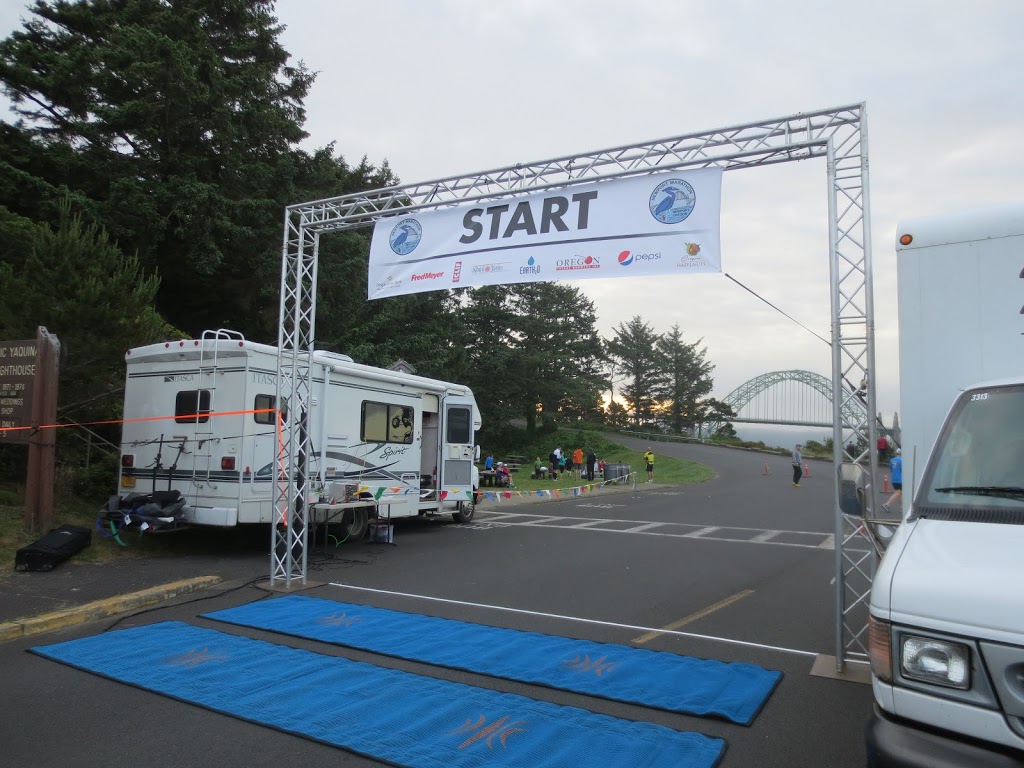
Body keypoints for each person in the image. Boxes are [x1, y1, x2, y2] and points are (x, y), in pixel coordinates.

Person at [884, 448, 902, 513]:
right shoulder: (901, 460)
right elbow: (903, 470)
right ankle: (887, 504)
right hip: (900, 479)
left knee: (900, 493)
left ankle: (901, 508)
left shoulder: (892, 460)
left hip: (894, 479)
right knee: (898, 493)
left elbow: (891, 469)